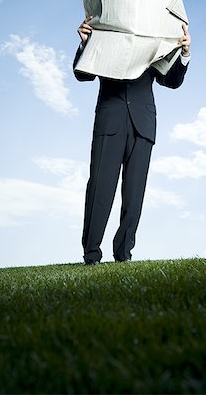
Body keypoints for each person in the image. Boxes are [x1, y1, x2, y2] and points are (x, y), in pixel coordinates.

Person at [73, 15, 191, 265]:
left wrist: (183, 53)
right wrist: (85, 43)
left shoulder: (154, 42)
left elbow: (172, 81)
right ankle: (91, 254)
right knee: (99, 189)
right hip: (110, 121)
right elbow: (83, 75)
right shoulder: (103, 40)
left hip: (143, 124)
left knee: (134, 193)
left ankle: (123, 254)